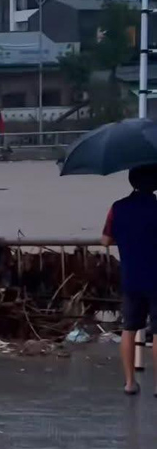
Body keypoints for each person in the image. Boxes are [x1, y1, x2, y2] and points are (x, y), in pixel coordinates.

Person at [102, 164, 157, 395]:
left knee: (129, 329)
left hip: (131, 278)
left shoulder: (118, 208)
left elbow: (105, 240)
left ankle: (129, 382)